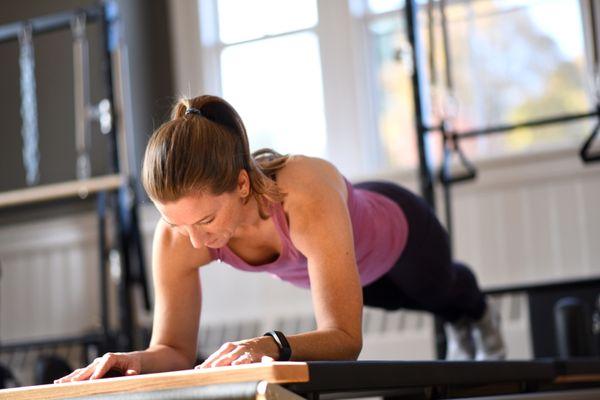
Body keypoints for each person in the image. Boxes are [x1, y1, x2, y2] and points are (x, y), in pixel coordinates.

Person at [55, 95, 504, 383]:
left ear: (243, 185)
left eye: (207, 220)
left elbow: (345, 339)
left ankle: (474, 310)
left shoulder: (302, 194)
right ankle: (458, 318)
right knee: (390, 300)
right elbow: (173, 351)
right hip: (355, 270)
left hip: (405, 237)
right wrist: (129, 362)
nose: (195, 243)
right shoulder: (178, 238)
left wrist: (268, 345)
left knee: (435, 292)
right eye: (179, 224)